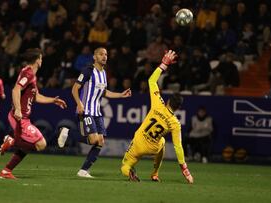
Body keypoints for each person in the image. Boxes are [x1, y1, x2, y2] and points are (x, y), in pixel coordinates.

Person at [120, 50, 194, 184]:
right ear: (178, 108)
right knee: (163, 142)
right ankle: (154, 174)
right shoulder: (175, 123)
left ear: (168, 101)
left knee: (124, 165)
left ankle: (129, 171)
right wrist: (185, 170)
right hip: (153, 148)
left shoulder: (158, 104)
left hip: (138, 143)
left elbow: (151, 81)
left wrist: (164, 64)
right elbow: (178, 147)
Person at [57, 47, 132, 178]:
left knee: (100, 141)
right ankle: (67, 132)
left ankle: (83, 170)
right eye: (101, 54)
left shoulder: (103, 73)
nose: (104, 56)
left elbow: (105, 92)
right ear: (94, 57)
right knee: (93, 139)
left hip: (97, 112)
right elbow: (75, 89)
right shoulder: (88, 71)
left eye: (106, 54)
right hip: (86, 110)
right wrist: (79, 104)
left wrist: (121, 95)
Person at [0, 48, 67, 179]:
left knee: (28, 146)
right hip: (19, 117)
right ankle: (11, 141)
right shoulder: (28, 73)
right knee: (41, 144)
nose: (42, 60)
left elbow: (36, 96)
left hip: (24, 118)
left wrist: (53, 100)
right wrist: (18, 109)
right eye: (40, 58)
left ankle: (6, 171)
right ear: (37, 60)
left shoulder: (31, 75)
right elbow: (15, 90)